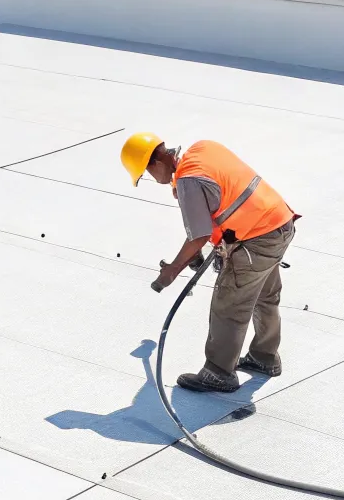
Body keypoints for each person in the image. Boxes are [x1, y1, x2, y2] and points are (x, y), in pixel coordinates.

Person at [123, 132, 298, 393]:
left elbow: (200, 235)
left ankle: (218, 373)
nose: (153, 179)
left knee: (229, 303)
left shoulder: (187, 180)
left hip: (255, 240)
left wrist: (172, 271)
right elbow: (220, 203)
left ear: (155, 163)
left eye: (147, 174)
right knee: (264, 295)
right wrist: (196, 252)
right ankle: (264, 357)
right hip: (277, 224)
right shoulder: (203, 150)